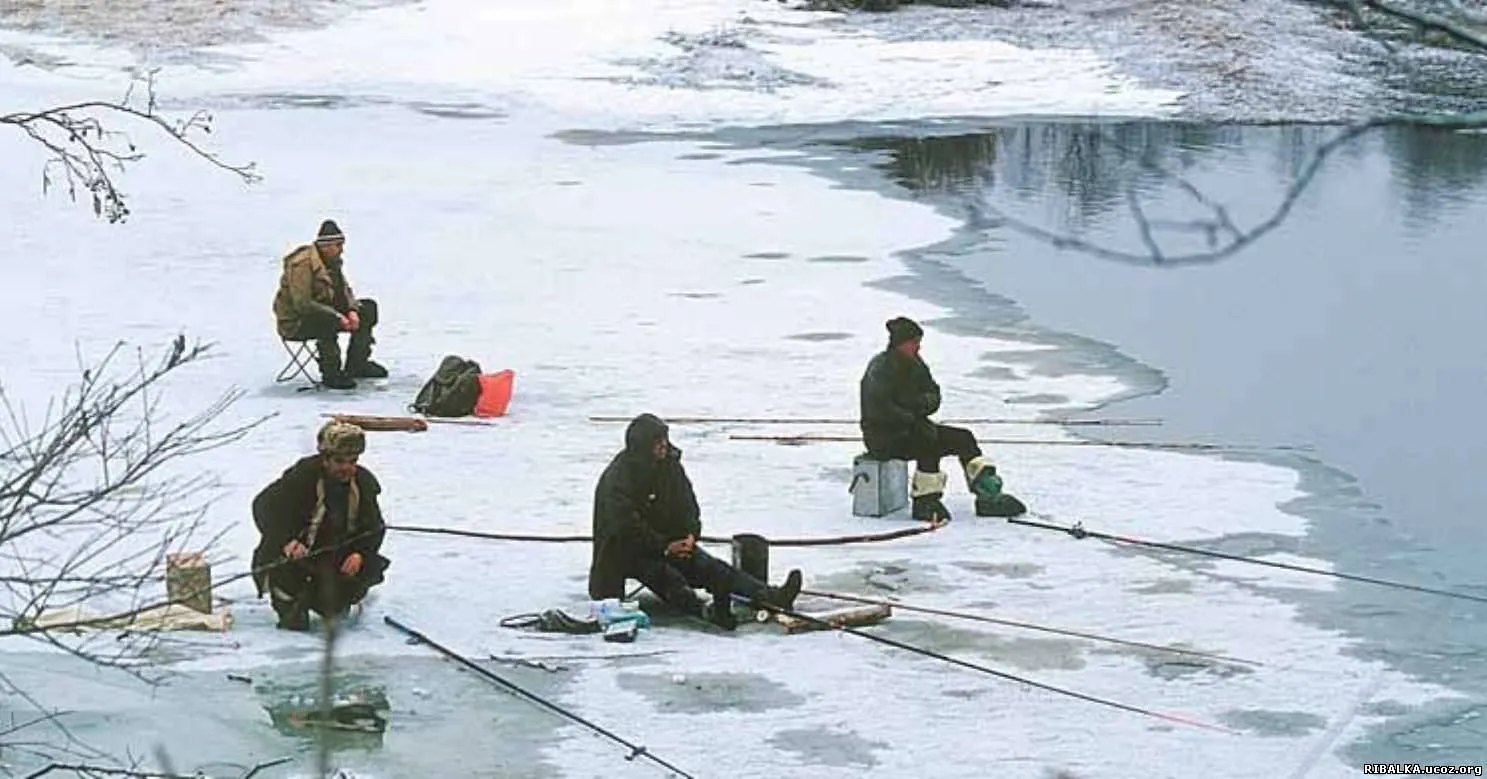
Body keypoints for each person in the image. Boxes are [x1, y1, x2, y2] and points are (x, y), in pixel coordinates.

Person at [589, 413, 804, 631]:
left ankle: (771, 596)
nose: (663, 446)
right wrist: (664, 547)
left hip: (668, 541)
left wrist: (690, 535)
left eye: (664, 439)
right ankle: (706, 612)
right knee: (669, 580)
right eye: (657, 442)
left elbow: (688, 505)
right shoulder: (617, 479)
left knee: (713, 568)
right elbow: (625, 527)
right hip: (627, 551)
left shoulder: (670, 466)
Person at [859, 316, 1028, 522]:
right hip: (884, 437)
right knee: (926, 440)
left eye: (918, 343)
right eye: (914, 343)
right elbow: (881, 409)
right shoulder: (881, 368)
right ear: (900, 344)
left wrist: (916, 406)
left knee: (963, 438)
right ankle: (925, 501)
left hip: (916, 426)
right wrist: (913, 415)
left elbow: (933, 395)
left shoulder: (917, 365)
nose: (918, 348)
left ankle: (987, 497)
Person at [251, 420, 391, 631]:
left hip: (335, 555)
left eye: (352, 461)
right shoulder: (301, 478)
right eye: (339, 461)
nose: (347, 468)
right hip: (295, 556)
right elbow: (263, 507)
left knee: (341, 597)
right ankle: (288, 603)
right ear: (325, 459)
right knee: (291, 602)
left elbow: (374, 526)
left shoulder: (363, 483)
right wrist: (287, 541)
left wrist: (360, 553)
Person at [273, 219, 388, 390]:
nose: (342, 249)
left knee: (368, 308)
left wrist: (352, 310)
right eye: (338, 245)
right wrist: (337, 316)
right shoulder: (301, 264)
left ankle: (357, 363)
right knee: (326, 320)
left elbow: (344, 289)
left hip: (328, 311)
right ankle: (331, 373)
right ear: (326, 246)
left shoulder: (332, 261)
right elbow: (302, 304)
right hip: (297, 321)